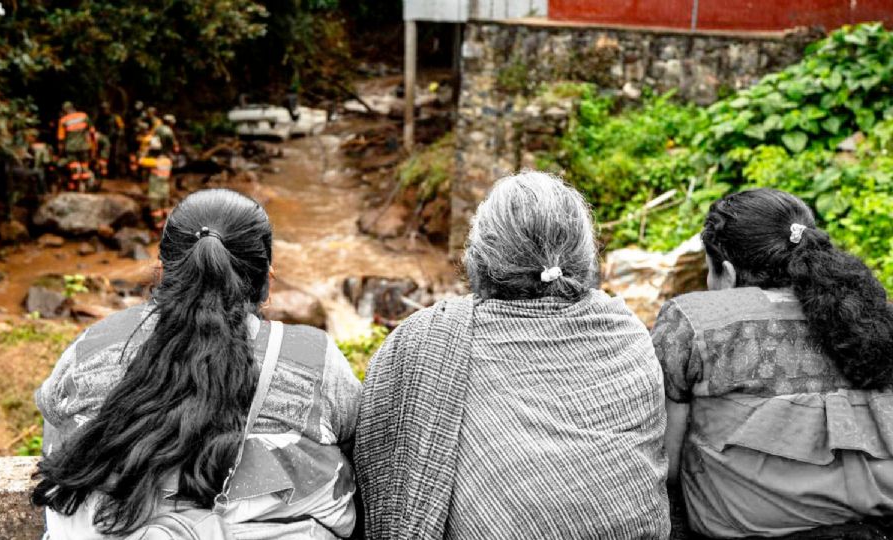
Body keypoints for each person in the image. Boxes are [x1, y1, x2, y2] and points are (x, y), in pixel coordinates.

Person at [355, 171, 670, 539]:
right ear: (584, 256)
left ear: (480, 259)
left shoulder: (423, 338)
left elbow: (377, 446)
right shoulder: (625, 329)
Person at [31, 189, 362, 539]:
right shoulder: (315, 356)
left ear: (162, 273)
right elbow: (357, 442)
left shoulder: (93, 344)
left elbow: (56, 437)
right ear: (266, 282)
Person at [652, 188, 893, 538]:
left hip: (744, 529)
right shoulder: (871, 316)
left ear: (727, 272)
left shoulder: (694, 320)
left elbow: (666, 463)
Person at [56, 101, 96, 191]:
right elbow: (92, 131)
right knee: (85, 165)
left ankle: (77, 186)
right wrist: (93, 145)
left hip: (70, 148)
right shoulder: (83, 116)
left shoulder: (63, 120)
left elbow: (61, 138)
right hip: (84, 146)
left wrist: (60, 152)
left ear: (64, 110)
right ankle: (88, 185)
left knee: (74, 166)